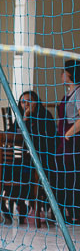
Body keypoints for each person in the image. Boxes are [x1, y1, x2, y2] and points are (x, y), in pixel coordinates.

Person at [15, 90, 57, 226]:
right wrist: (25, 119)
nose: (26, 105)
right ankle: (22, 205)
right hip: (25, 159)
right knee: (13, 169)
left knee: (29, 172)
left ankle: (35, 207)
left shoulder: (45, 116)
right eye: (23, 102)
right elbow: (14, 133)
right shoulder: (21, 116)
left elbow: (43, 140)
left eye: (29, 101)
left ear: (36, 103)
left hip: (43, 158)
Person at [56, 60, 80, 219]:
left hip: (73, 138)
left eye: (63, 71)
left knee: (73, 176)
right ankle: (67, 211)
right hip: (64, 138)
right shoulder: (69, 92)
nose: (61, 74)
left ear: (70, 73)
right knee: (64, 174)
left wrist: (68, 134)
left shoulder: (78, 92)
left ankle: (75, 213)